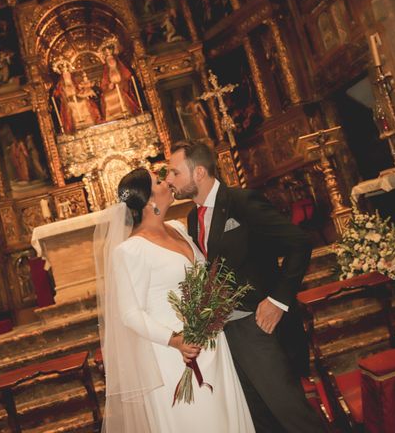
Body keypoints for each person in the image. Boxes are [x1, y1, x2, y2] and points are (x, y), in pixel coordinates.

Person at [166, 140, 325, 433]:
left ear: (199, 172)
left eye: (174, 173)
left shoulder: (242, 202)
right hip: (225, 334)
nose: (168, 180)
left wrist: (277, 301)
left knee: (294, 417)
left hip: (259, 327)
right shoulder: (192, 218)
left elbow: (299, 243)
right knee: (259, 420)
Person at [96, 167, 255, 433]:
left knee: (227, 418)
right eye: (158, 181)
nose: (167, 182)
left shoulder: (177, 228)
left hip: (212, 343)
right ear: (148, 201)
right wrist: (175, 340)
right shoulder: (129, 250)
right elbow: (130, 313)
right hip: (174, 355)